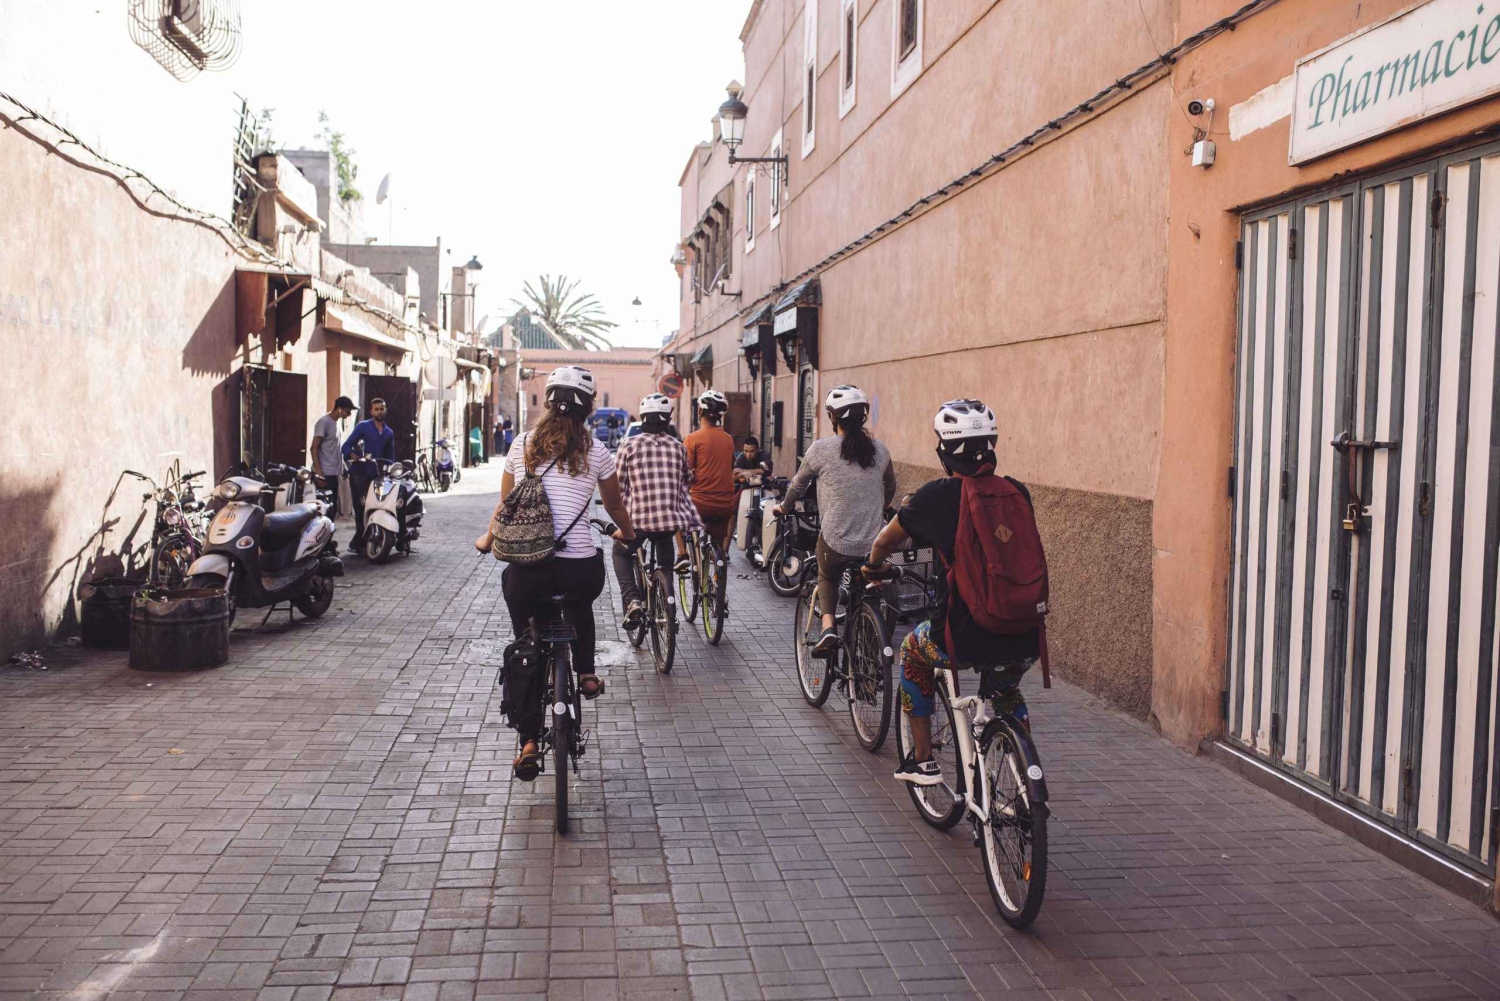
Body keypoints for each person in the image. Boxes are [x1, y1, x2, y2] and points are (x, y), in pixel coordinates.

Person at [864, 399, 1040, 786]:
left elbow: (886, 542)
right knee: (1005, 690)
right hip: (1026, 633)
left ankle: (923, 760)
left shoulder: (936, 496)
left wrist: (874, 567)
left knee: (912, 651)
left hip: (961, 636)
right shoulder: (1017, 492)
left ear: (943, 451)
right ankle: (1022, 777)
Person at [474, 366, 636, 780]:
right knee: (580, 605)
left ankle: (529, 740)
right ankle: (584, 674)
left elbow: (506, 505)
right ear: (588, 410)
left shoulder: (522, 445)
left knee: (527, 641)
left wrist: (488, 538)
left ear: (547, 402)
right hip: (580, 568)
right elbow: (615, 508)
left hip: (528, 571)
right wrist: (629, 533)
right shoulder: (598, 451)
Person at [770, 385, 896, 657]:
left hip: (836, 542)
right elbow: (891, 485)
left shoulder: (820, 449)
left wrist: (784, 507)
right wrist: (881, 507)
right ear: (863, 417)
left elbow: (797, 486)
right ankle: (871, 641)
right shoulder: (880, 449)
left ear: (832, 417)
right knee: (868, 583)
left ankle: (828, 627)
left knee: (827, 574)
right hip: (874, 545)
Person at [611, 392, 701, 629]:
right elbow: (686, 481)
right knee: (664, 542)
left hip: (637, 523)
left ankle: (632, 601)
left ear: (642, 418)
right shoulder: (678, 447)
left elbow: (618, 485)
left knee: (620, 553)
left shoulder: (628, 445)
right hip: (668, 523)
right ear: (667, 419)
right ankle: (666, 591)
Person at [682, 389, 738, 555]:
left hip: (699, 503)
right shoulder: (728, 439)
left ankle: (684, 555)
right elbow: (729, 466)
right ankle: (719, 572)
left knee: (681, 521)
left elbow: (686, 470)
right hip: (725, 504)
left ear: (699, 411)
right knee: (718, 544)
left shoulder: (692, 438)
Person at [341, 397, 395, 554]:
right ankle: (359, 542)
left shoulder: (388, 432)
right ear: (371, 411)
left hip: (377, 476)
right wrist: (353, 456)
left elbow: (390, 458)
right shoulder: (362, 427)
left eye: (381, 408)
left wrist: (391, 472)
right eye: (376, 409)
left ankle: (372, 538)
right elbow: (346, 446)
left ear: (385, 410)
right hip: (359, 473)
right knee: (362, 508)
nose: (379, 411)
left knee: (377, 506)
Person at [310, 396, 356, 491]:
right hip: (324, 473)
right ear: (339, 409)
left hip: (334, 474)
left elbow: (335, 448)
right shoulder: (324, 422)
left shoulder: (337, 423)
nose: (349, 414)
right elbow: (314, 448)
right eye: (347, 411)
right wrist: (319, 473)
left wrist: (343, 467)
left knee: (333, 504)